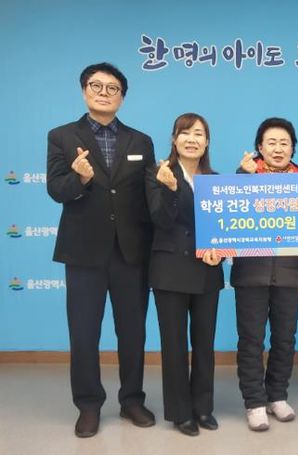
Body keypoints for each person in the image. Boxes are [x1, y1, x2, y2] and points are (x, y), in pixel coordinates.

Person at [46, 62, 156, 437]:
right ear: (84, 91)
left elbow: (148, 196)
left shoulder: (140, 141)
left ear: (122, 97)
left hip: (131, 252)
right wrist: (79, 178)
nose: (104, 93)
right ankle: (89, 405)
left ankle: (132, 400)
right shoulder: (62, 136)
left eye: (112, 88)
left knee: (133, 333)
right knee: (83, 333)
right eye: (97, 86)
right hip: (83, 253)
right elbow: (56, 189)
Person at [146, 113, 224, 436]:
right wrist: (170, 189)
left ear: (207, 142)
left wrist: (221, 251)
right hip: (170, 271)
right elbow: (160, 220)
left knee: (205, 343)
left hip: (207, 271)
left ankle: (203, 407)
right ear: (174, 139)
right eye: (185, 133)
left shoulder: (214, 179)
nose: (192, 139)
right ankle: (181, 413)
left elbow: (224, 228)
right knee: (175, 345)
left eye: (199, 134)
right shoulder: (158, 172)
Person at [231, 118, 298, 431]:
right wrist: (242, 178)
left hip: (289, 273)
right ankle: (254, 401)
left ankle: (277, 395)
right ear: (260, 148)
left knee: (284, 339)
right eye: (271, 143)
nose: (278, 148)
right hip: (251, 273)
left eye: (284, 143)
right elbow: (228, 216)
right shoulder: (245, 175)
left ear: (292, 148)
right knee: (251, 339)